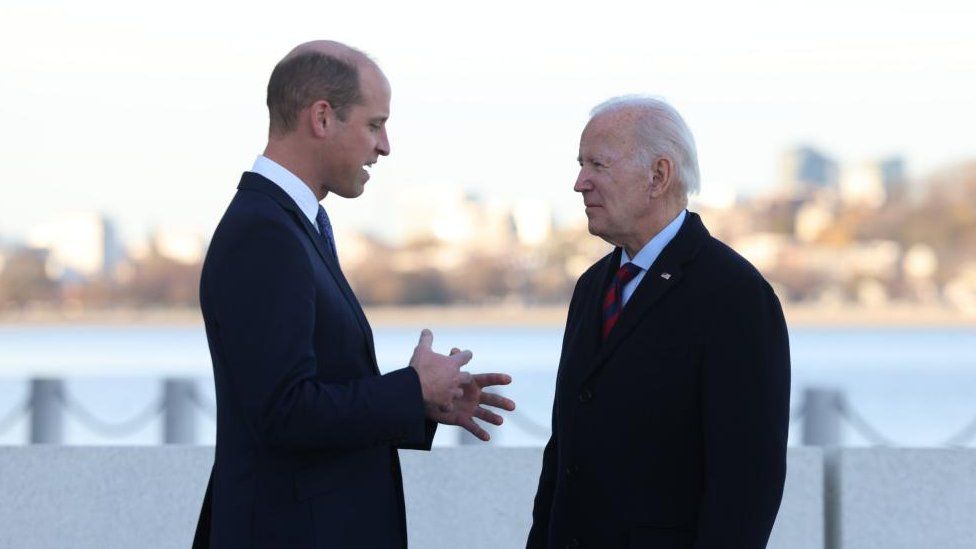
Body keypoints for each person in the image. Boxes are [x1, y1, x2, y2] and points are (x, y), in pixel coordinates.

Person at [192, 40, 515, 548]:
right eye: (374, 124)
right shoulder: (265, 234)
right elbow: (284, 411)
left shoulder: (292, 224)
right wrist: (410, 389)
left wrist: (423, 402)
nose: (384, 146)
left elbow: (312, 395)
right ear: (322, 117)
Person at [527, 96, 790, 548]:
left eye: (598, 165)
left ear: (659, 176)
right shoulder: (593, 287)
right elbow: (564, 456)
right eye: (580, 164)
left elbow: (746, 482)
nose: (579, 183)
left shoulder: (734, 294)